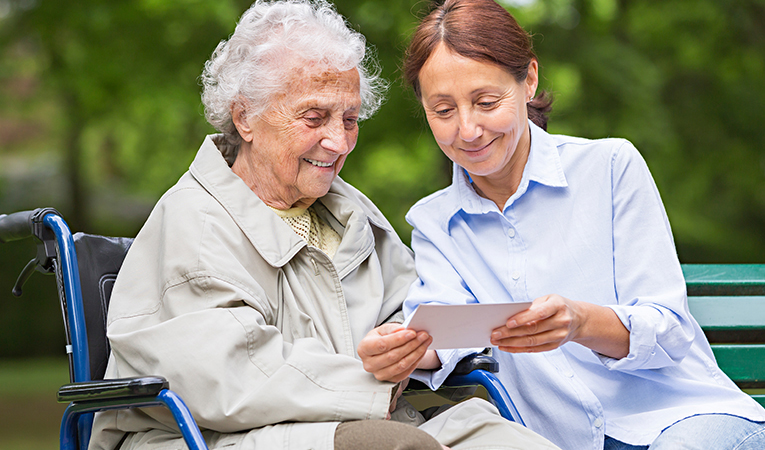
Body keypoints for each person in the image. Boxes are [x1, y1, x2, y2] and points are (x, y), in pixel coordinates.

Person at [87, 1, 560, 449]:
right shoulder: (193, 220)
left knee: (499, 436)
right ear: (245, 116)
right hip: (215, 436)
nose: (337, 141)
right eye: (314, 117)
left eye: (350, 118)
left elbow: (411, 309)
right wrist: (369, 379)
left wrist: (405, 346)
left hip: (373, 420)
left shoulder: (350, 212)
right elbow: (227, 373)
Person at [394, 0, 765, 449]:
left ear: (528, 79)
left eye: (486, 101)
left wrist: (581, 321)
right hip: (563, 438)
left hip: (684, 418)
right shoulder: (434, 222)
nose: (468, 130)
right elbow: (444, 333)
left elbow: (668, 330)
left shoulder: (610, 166)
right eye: (443, 111)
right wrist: (401, 349)